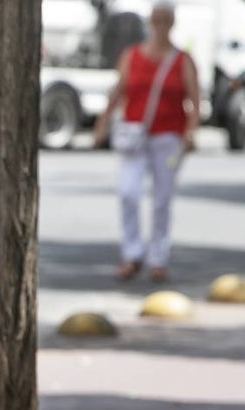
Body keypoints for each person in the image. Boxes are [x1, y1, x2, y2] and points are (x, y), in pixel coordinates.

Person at [92, 0, 200, 283]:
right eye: (156, 19)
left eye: (165, 19)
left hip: (168, 137)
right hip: (134, 135)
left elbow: (194, 100)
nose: (160, 25)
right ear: (149, 22)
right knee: (128, 193)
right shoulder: (132, 56)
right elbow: (118, 91)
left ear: (172, 23)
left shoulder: (182, 60)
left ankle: (158, 259)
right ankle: (132, 253)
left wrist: (190, 132)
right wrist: (103, 122)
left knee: (162, 199)